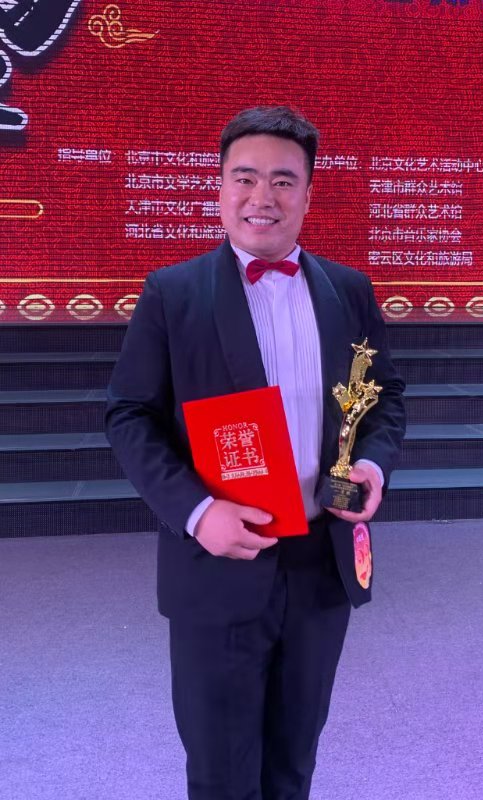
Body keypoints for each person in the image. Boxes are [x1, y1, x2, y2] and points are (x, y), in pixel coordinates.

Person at [106, 105, 405, 800]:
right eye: (244, 178)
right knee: (220, 772)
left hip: (321, 564)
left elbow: (384, 396)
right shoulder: (173, 293)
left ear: (308, 194)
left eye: (282, 180)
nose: (261, 197)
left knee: (293, 762)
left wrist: (371, 464)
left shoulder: (349, 290)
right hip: (219, 561)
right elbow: (128, 414)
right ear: (219, 188)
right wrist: (196, 511)